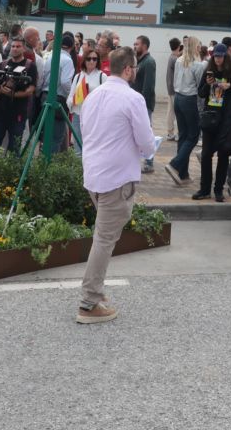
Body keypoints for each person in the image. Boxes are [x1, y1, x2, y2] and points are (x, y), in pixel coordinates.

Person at [74, 46, 154, 324]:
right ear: (129, 69)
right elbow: (145, 143)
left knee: (103, 236)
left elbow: (85, 130)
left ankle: (93, 293)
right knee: (104, 240)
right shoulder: (133, 99)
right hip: (117, 177)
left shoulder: (94, 94)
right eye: (135, 68)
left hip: (94, 174)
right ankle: (89, 301)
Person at [193, 45, 231, 202]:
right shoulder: (209, 72)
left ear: (225, 57)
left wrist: (230, 86)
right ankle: (204, 189)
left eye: (220, 56)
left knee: (223, 154)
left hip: (226, 119)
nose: (218, 59)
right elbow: (200, 93)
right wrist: (208, 84)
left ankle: (218, 190)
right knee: (207, 154)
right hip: (210, 116)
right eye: (215, 57)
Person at [0, 36, 38, 157]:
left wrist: (12, 94)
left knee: (14, 147)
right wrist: (1, 90)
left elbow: (30, 90)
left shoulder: (30, 66)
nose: (15, 49)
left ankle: (12, 175)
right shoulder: (2, 65)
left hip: (18, 113)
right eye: (13, 46)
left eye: (18, 46)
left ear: (24, 48)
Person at [168, 37, 203, 184]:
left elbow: (176, 79)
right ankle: (175, 164)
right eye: (199, 45)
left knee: (183, 136)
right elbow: (201, 88)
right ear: (195, 47)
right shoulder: (198, 65)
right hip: (190, 100)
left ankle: (182, 174)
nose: (200, 48)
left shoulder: (179, 60)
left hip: (178, 98)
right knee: (193, 136)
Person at [132, 36, 158, 172]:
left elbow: (148, 87)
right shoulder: (139, 61)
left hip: (144, 105)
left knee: (147, 132)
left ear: (145, 46)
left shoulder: (149, 62)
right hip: (136, 103)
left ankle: (149, 162)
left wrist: (140, 105)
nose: (135, 46)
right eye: (134, 44)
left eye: (137, 44)